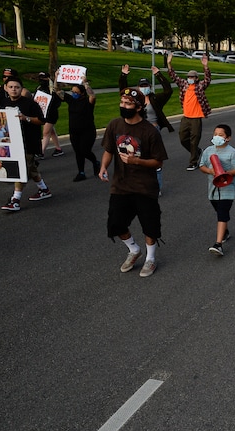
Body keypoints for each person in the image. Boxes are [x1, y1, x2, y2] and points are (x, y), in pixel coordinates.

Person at [98, 88, 168, 277]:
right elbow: (109, 150)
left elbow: (158, 161)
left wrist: (137, 161)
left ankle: (151, 258)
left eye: (128, 104)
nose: (123, 106)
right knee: (116, 224)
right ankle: (134, 250)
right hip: (120, 185)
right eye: (122, 102)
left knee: (150, 225)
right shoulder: (114, 125)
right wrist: (104, 166)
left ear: (138, 107)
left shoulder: (150, 131)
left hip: (145, 187)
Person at [0, 77, 52, 212]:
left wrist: (25, 118)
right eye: (11, 87)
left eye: (17, 87)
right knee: (31, 168)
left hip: (29, 142)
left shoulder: (30, 104)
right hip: (13, 144)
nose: (14, 89)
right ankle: (44, 189)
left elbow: (41, 120)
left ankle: (15, 199)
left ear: (22, 89)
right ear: (6, 88)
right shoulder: (3, 103)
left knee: (21, 170)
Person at [120, 64, 174, 194]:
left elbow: (168, 91)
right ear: (138, 88)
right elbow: (123, 91)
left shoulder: (155, 99)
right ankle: (137, 185)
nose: (144, 88)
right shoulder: (135, 100)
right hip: (138, 131)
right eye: (141, 86)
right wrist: (123, 75)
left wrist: (158, 74)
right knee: (136, 158)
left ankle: (157, 187)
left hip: (154, 130)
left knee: (155, 161)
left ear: (150, 87)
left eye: (146, 86)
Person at [198, 124, 235, 255]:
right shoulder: (208, 151)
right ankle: (225, 232)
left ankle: (218, 244)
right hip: (213, 190)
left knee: (222, 212)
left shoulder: (233, 153)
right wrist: (211, 170)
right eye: (215, 134)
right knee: (219, 211)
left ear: (228, 138)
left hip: (227, 190)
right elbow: (202, 166)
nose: (217, 136)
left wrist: (225, 173)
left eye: (221, 135)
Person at [167, 53, 211, 171]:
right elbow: (173, 76)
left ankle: (193, 161)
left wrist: (205, 66)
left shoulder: (200, 86)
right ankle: (196, 151)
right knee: (183, 138)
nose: (190, 79)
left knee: (194, 140)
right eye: (189, 77)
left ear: (196, 78)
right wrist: (169, 63)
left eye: (192, 77)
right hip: (186, 117)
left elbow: (208, 79)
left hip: (196, 118)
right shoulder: (184, 85)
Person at [54, 76, 99, 182]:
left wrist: (85, 83)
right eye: (72, 91)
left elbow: (92, 96)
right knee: (78, 152)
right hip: (74, 131)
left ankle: (95, 162)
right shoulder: (71, 100)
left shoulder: (87, 102)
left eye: (76, 92)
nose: (73, 93)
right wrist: (56, 78)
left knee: (85, 150)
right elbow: (57, 91)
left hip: (87, 131)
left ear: (82, 93)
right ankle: (81, 172)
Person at [35, 72, 64, 157]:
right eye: (40, 78)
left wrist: (56, 77)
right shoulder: (39, 88)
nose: (42, 80)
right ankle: (58, 149)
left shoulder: (52, 89)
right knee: (51, 132)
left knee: (46, 133)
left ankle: (42, 152)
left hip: (51, 114)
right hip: (43, 113)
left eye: (44, 78)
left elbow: (58, 99)